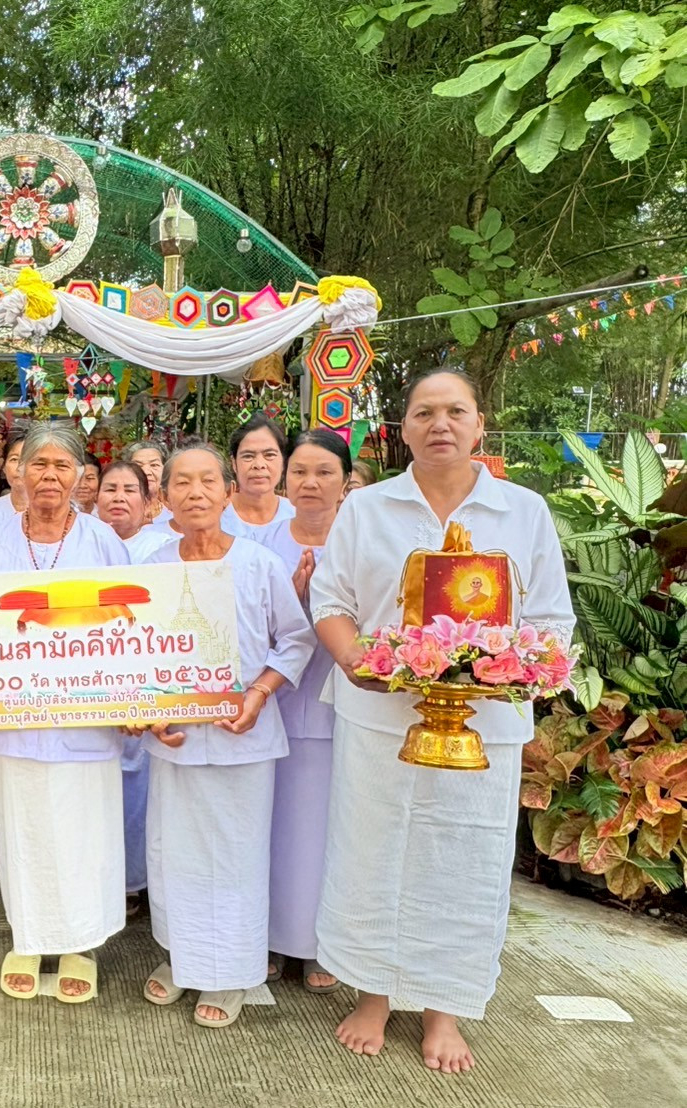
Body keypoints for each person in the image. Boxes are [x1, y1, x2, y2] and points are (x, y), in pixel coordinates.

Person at [309, 367, 574, 1073]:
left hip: (484, 727)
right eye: (423, 412)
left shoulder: (523, 512)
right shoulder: (366, 510)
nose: (439, 424)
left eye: (454, 411)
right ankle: (371, 993)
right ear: (403, 430)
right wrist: (358, 662)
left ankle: (442, 1008)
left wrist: (511, 670)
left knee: (462, 861)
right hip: (378, 717)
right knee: (371, 852)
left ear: (479, 425)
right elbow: (329, 601)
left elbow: (550, 620)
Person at [138, 444, 315, 1028]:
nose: (195, 493)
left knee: (237, 856)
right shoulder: (152, 568)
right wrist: (146, 714)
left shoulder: (259, 564)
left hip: (245, 737)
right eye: (181, 483)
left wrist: (259, 693)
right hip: (177, 740)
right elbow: (130, 653)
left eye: (207, 481)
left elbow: (296, 639)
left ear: (226, 491)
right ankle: (180, 960)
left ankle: (233, 971)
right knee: (173, 854)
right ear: (163, 498)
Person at [0, 423, 129, 1005]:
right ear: (19, 472)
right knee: (23, 827)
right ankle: (29, 938)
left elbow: (134, 624)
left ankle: (81, 942)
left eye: (63, 466)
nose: (51, 476)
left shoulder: (104, 541)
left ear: (82, 475)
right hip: (14, 719)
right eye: (39, 465)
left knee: (84, 829)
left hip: (86, 719)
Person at [256, 430, 349, 994]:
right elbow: (244, 627)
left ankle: (323, 945)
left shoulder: (365, 539)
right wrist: (289, 602)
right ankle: (268, 937)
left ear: (345, 481)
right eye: (300, 473)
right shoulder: (260, 543)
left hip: (343, 707)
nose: (310, 484)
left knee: (329, 830)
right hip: (274, 705)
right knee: (274, 828)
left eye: (324, 472)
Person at [91, 459, 174, 916]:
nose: (118, 497)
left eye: (129, 490)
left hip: (148, 684)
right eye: (109, 488)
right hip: (92, 684)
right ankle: (99, 880)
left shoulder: (164, 549)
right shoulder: (82, 542)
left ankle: (136, 882)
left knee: (141, 791)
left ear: (150, 503)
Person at [224, 415, 296, 538]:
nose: (259, 465)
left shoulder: (297, 516)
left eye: (269, 455)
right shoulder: (216, 515)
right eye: (248, 456)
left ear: (284, 462)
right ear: (234, 463)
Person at [125, 441, 172, 525]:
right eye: (138, 465)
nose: (146, 472)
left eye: (154, 465)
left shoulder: (175, 510)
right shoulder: (118, 508)